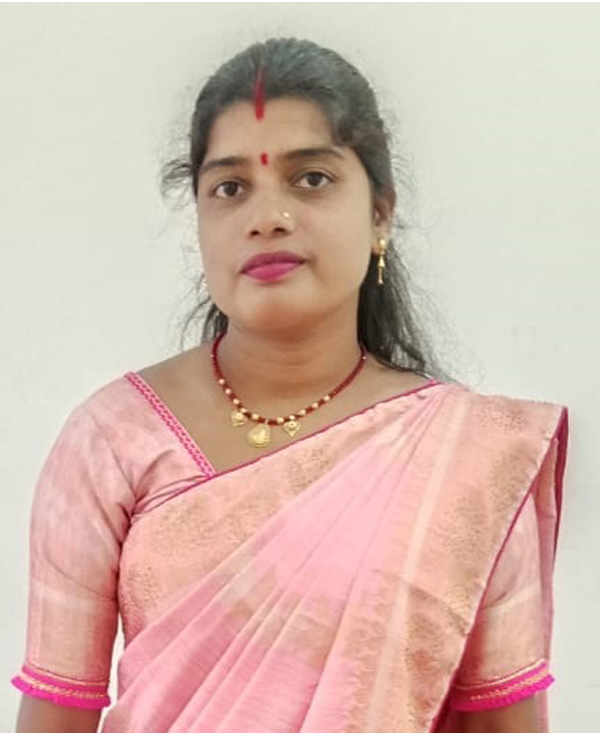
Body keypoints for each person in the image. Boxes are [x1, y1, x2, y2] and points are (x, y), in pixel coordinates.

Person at [12, 38, 569, 733]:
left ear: (380, 214)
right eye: (230, 188)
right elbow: (53, 717)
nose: (267, 216)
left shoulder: (467, 458)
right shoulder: (111, 439)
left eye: (311, 178)